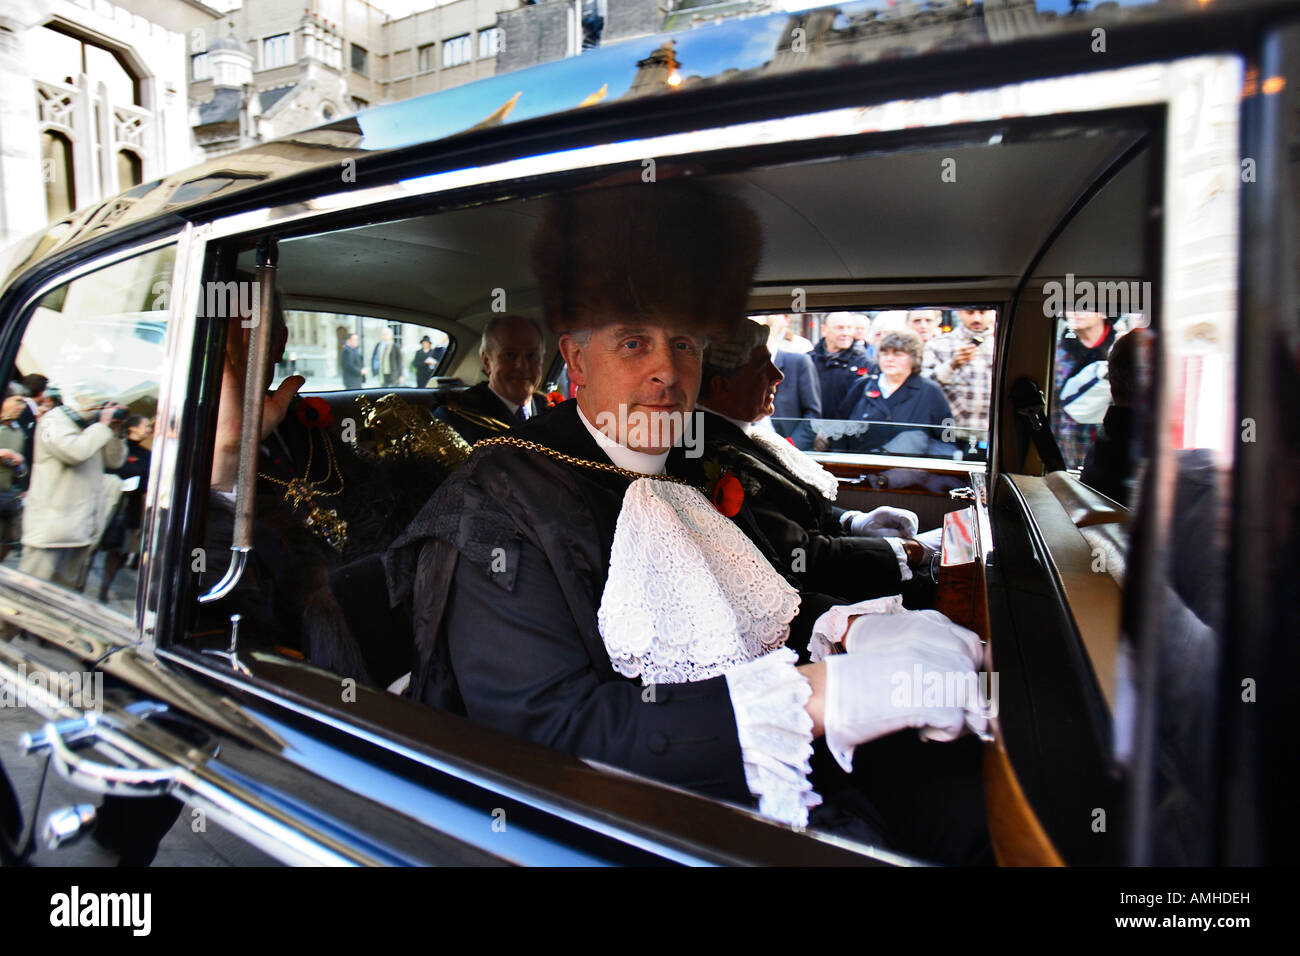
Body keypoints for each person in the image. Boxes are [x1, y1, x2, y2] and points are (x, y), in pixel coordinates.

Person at [389, 181, 988, 861]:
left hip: (762, 744)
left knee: (969, 790)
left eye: (684, 344)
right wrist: (823, 693)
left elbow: (743, 596)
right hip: (646, 813)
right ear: (577, 360)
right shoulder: (497, 499)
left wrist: (847, 623)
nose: (666, 372)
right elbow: (548, 731)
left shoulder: (676, 460)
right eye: (634, 343)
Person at [697, 318, 936, 603]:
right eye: (763, 366)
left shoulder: (742, 436)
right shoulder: (711, 455)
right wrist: (908, 550)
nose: (778, 376)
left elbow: (790, 505)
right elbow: (797, 555)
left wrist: (852, 521)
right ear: (722, 385)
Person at [18, 385, 127, 589]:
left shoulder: (94, 427)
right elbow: (75, 452)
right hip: (49, 533)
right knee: (28, 596)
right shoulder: (54, 420)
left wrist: (114, 429)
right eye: (98, 401)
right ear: (79, 398)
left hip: (81, 530)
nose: (100, 407)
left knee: (64, 601)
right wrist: (102, 425)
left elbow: (115, 461)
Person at [831, 329, 955, 456]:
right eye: (885, 353)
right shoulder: (862, 386)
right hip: (860, 466)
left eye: (898, 354)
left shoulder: (930, 391)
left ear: (913, 358)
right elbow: (839, 430)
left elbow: (947, 439)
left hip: (911, 471)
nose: (889, 359)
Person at [433, 314, 548, 445]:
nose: (522, 366)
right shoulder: (456, 418)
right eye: (510, 355)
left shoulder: (551, 413)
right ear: (487, 362)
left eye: (531, 355)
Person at [1052, 311, 1118, 469]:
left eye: (1086, 306)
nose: (1075, 312)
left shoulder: (1121, 350)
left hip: (1109, 453)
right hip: (1064, 451)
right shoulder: (1054, 353)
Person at [922, 308, 995, 445]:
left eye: (982, 312)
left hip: (990, 435)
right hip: (949, 436)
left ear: (991, 313)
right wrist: (951, 365)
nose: (976, 319)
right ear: (960, 313)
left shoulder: (1002, 345)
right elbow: (924, 387)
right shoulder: (938, 344)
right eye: (970, 312)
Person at [754, 315, 821, 450]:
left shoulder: (799, 362)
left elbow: (812, 415)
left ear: (773, 331)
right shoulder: (738, 366)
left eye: (758, 330)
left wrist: (788, 449)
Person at [809, 313, 873, 423]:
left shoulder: (866, 364)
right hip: (811, 433)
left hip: (848, 433)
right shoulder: (808, 360)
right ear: (824, 330)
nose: (846, 333)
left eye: (849, 328)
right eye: (839, 328)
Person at [0, 395, 28, 563]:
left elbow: (22, 469)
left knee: (6, 540)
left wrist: (19, 462)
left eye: (22, 406)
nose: (19, 408)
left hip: (5, 493)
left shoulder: (18, 433)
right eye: (16, 404)